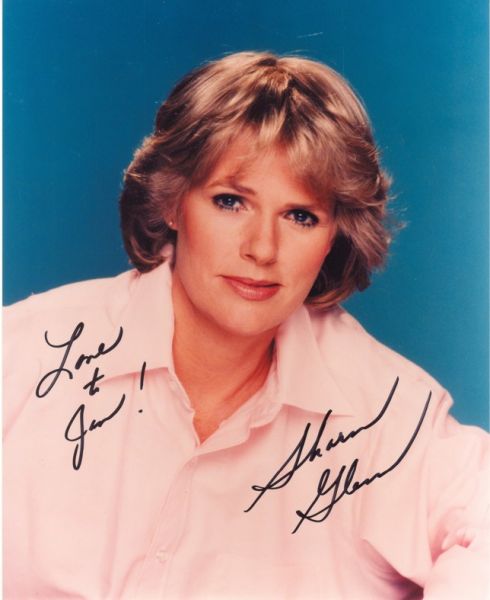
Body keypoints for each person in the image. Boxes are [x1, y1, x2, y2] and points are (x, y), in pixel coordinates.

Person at [4, 51, 489, 599]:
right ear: (172, 202)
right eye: (231, 201)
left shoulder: (387, 410)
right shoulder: (26, 351)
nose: (262, 248)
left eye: (300, 216)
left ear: (335, 234)